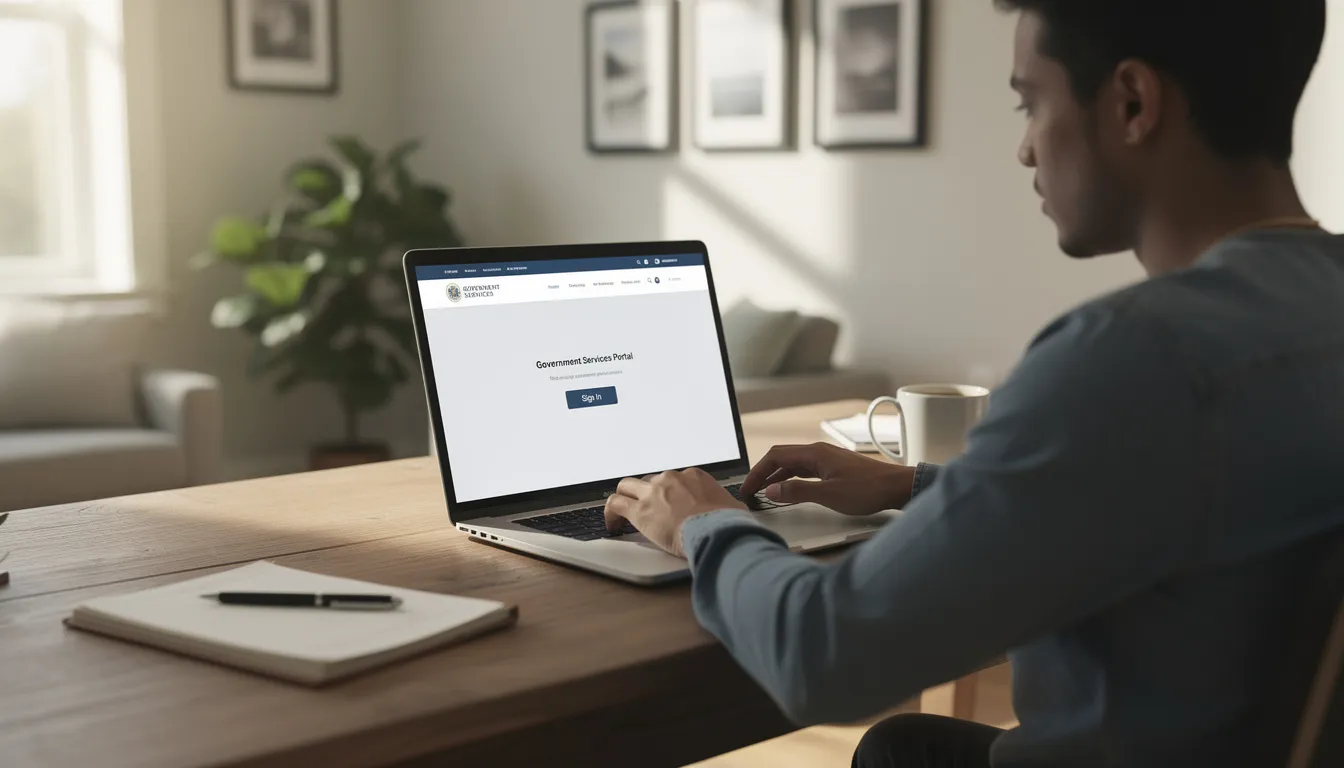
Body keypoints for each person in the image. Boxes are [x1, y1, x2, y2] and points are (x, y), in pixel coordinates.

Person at [602, 0, 1344, 765]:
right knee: (904, 748)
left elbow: (825, 658)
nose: (1024, 150)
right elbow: (1170, 505)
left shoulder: (1131, 356)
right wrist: (917, 488)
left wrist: (703, 525)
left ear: (1132, 103)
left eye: (1030, 103)